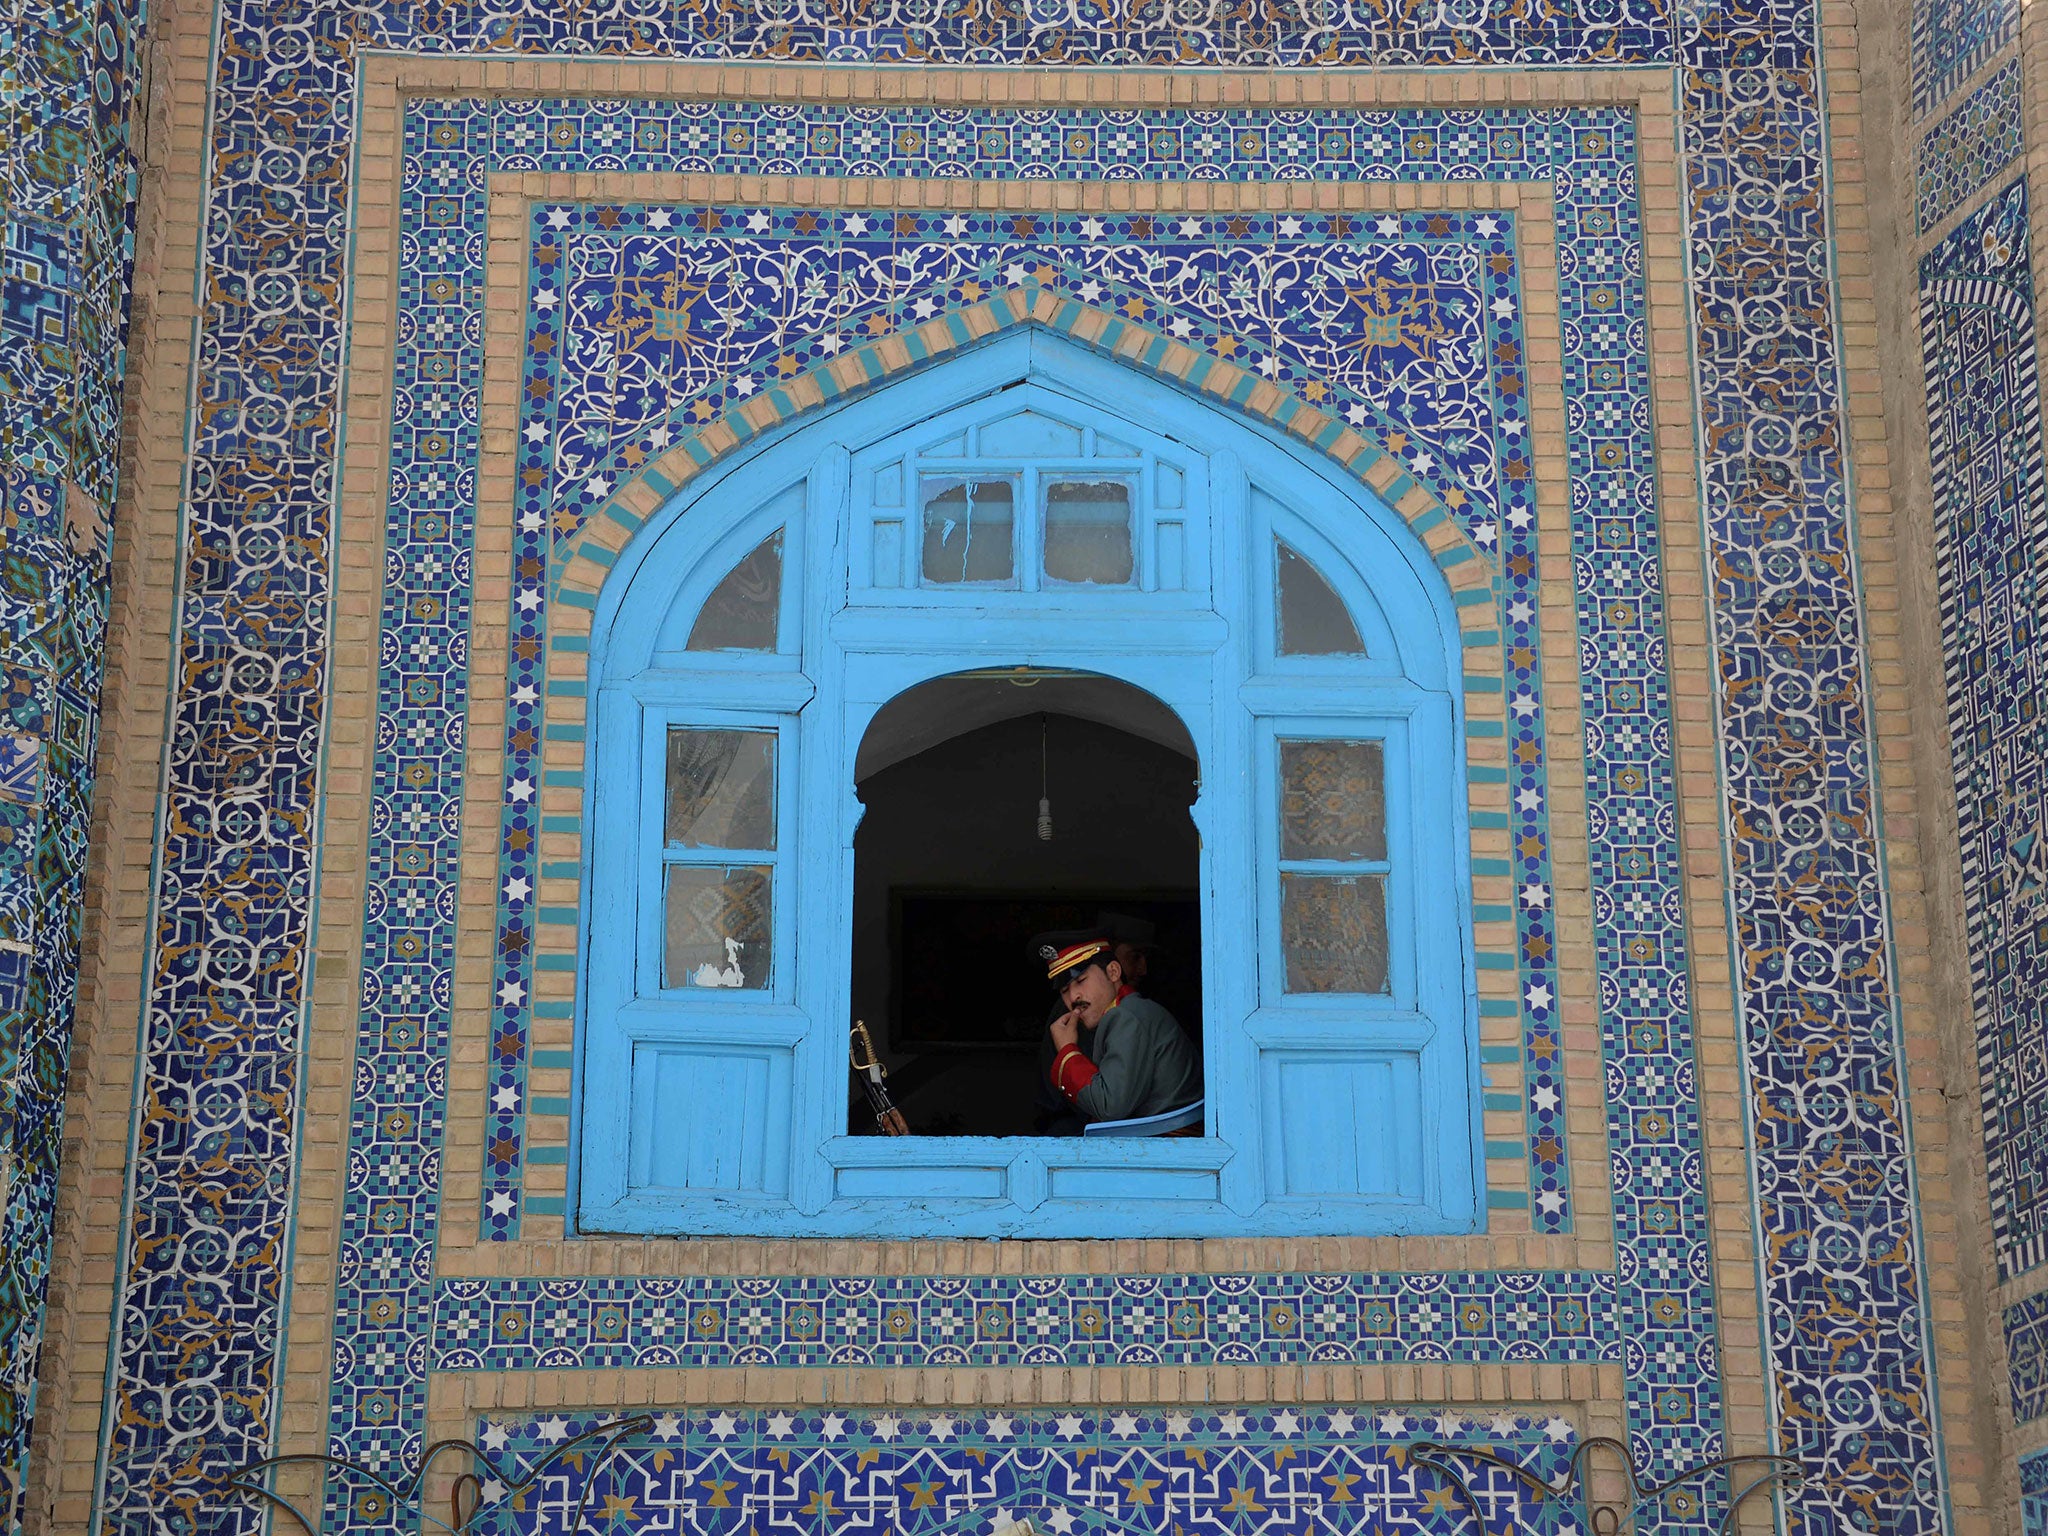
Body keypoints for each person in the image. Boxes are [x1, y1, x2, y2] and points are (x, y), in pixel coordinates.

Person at [1033, 932, 1199, 1132]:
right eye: (1064, 991)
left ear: (1113, 972)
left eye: (1081, 980)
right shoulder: (1131, 1010)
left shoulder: (1125, 1015)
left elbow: (1110, 1107)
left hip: (1170, 1149)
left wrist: (1068, 1052)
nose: (1073, 997)